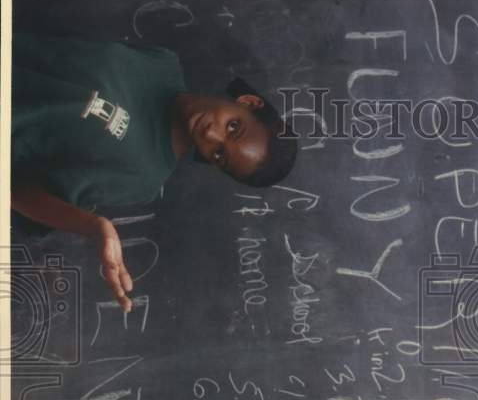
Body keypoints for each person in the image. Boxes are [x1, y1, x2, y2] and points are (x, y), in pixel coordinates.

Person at [11, 34, 299, 311]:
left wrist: (94, 226)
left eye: (219, 154)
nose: (211, 134)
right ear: (248, 103)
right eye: (233, 127)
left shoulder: (144, 176)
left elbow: (17, 190)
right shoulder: (161, 62)